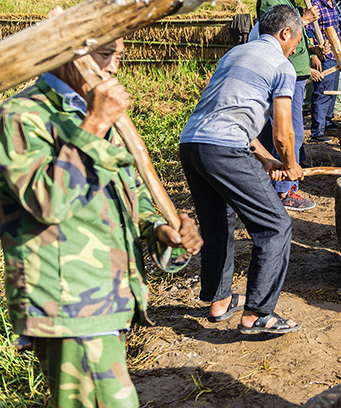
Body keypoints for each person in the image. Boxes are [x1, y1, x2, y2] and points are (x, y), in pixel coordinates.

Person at [0, 38, 202, 407]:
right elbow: (46, 201)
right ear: (70, 56)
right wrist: (94, 123)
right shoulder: (23, 115)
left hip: (108, 298)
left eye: (118, 57)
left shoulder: (94, 115)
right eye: (103, 56)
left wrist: (162, 230)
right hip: (69, 304)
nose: (112, 68)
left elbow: (132, 194)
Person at [180, 5, 303, 336]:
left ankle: (220, 301)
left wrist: (265, 159)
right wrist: (291, 165)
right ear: (285, 33)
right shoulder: (282, 65)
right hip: (224, 148)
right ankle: (258, 313)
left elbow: (230, 111)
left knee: (218, 223)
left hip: (192, 144)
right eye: (296, 41)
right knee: (275, 225)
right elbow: (282, 131)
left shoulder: (235, 54)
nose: (295, 49)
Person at [249, 0, 322, 211]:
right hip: (285, 68)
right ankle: (283, 190)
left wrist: (310, 52)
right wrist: (304, 20)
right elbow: (278, 33)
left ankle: (276, 185)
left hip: (296, 65)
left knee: (282, 129)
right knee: (288, 130)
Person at [308, 0, 341, 143]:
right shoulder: (316, 6)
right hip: (323, 55)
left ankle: (328, 121)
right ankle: (317, 130)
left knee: (332, 91)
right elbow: (308, 31)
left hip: (334, 54)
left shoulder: (332, 3)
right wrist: (314, 55)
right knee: (322, 92)